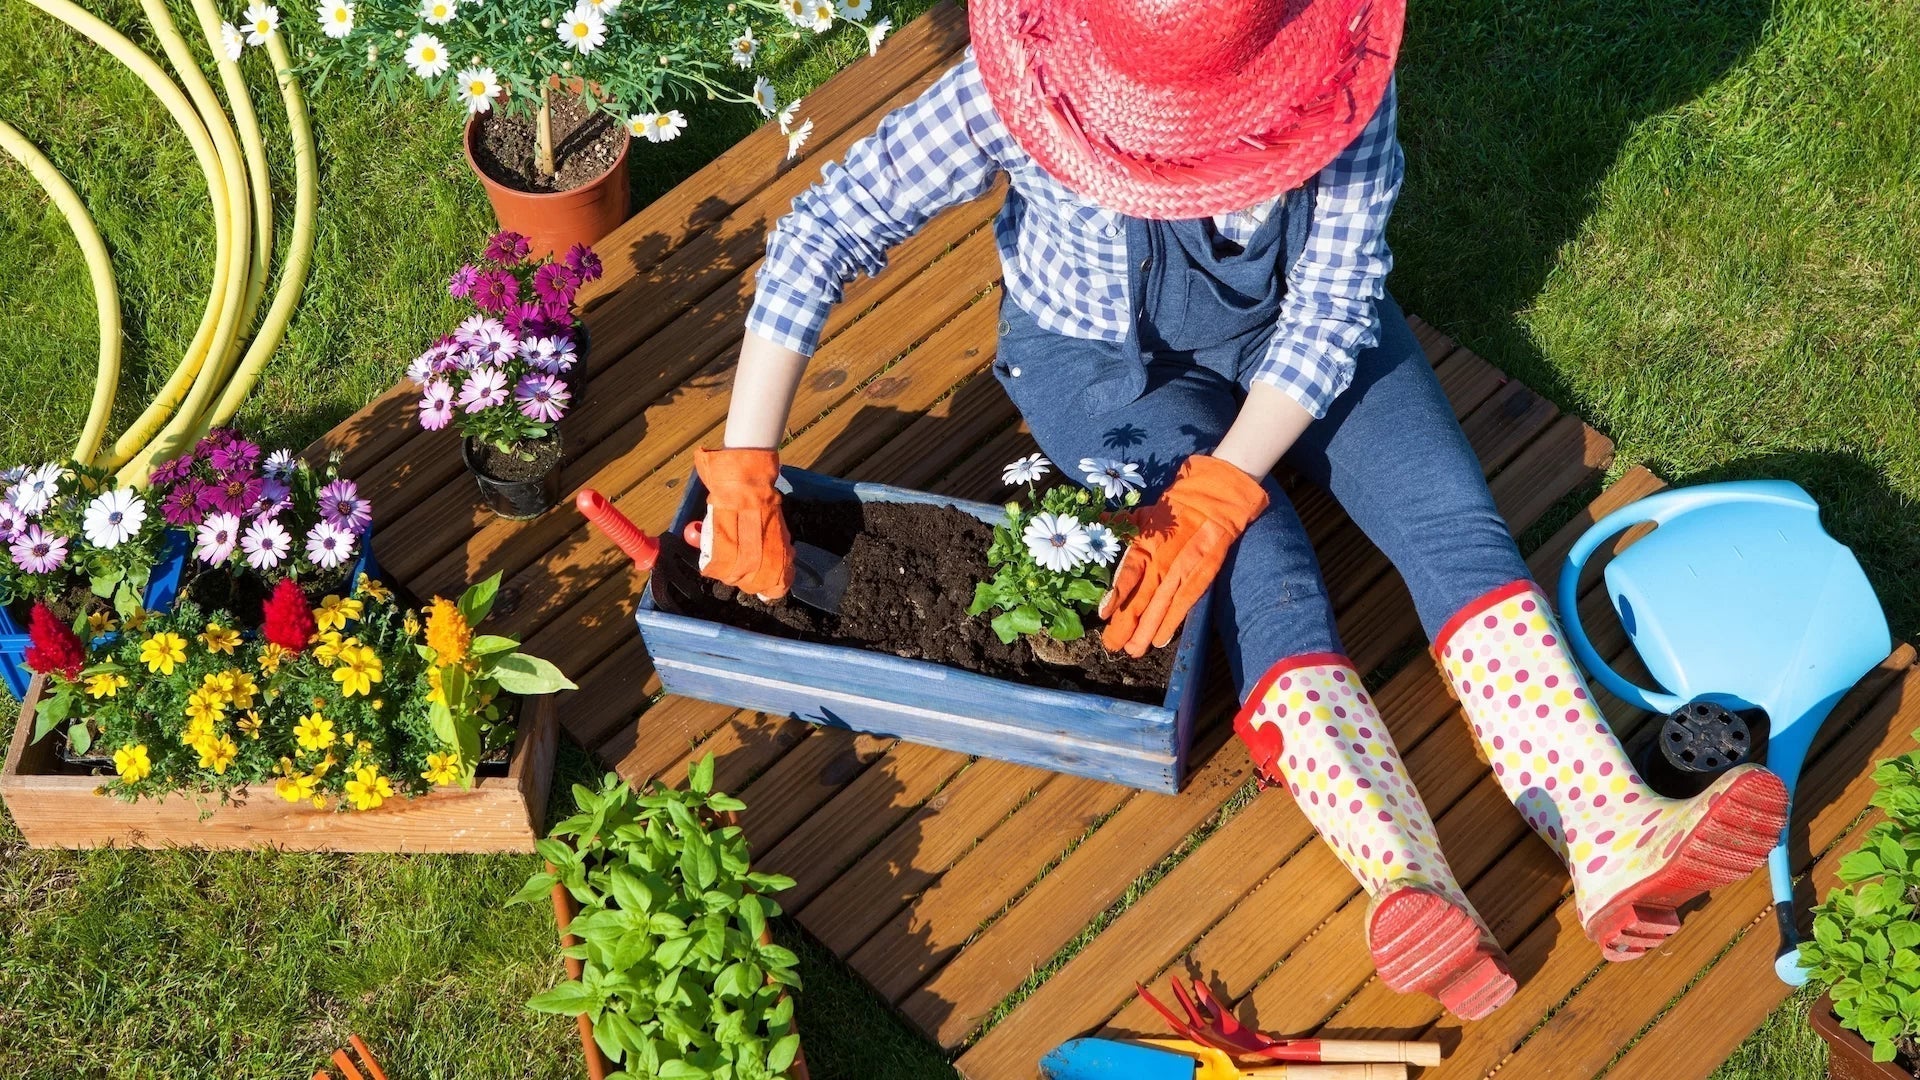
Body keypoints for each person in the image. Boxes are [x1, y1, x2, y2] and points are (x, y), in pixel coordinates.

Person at [693, 0, 1789, 1020]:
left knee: (1449, 515)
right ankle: (1405, 878)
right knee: (1264, 561)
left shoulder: (1335, 77)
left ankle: (1611, 826)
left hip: (1300, 342)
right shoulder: (1026, 82)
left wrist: (1225, 479)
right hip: (1099, 374)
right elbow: (828, 226)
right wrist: (748, 455)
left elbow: (1333, 303)